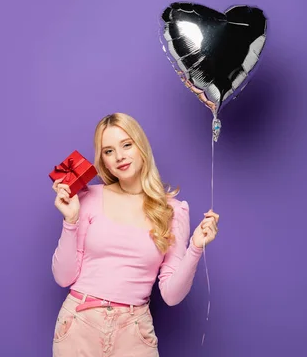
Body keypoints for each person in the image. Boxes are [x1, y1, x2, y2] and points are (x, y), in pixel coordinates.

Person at [50, 112, 219, 356]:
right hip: (79, 325)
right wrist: (71, 220)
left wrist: (195, 247)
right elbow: (63, 277)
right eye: (108, 151)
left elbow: (171, 295)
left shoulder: (173, 210)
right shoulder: (88, 198)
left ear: (141, 147)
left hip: (134, 331)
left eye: (126, 145)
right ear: (103, 161)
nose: (119, 157)